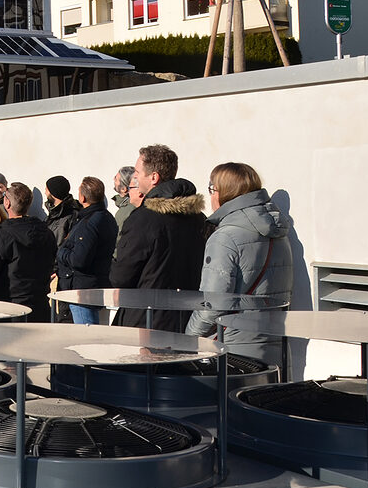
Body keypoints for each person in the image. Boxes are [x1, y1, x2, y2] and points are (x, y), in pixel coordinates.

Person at [185, 163, 291, 369]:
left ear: (225, 193)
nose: (210, 196)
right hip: (276, 342)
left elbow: (214, 302)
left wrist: (188, 338)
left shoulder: (224, 237)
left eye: (212, 188)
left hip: (233, 348)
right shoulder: (280, 234)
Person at [111, 144, 208, 332]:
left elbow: (121, 277)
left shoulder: (144, 219)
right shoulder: (198, 218)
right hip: (187, 318)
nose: (135, 176)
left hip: (147, 320)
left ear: (154, 177)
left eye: (138, 172)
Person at [55, 177, 118, 325]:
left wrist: (61, 252)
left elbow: (79, 260)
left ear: (82, 197)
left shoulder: (90, 222)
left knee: (87, 339)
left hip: (82, 291)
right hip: (94, 285)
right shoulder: (107, 217)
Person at [0, 182, 57, 322]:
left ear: (7, 203)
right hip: (41, 305)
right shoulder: (47, 232)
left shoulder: (3, 235)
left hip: (12, 307)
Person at [43, 176, 79, 245]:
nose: (45, 192)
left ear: (53, 193)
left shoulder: (69, 215)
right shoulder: (54, 212)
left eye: (47, 190)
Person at [112, 166, 137, 231]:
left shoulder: (125, 212)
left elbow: (117, 238)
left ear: (124, 189)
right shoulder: (125, 205)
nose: (113, 180)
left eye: (116, 179)